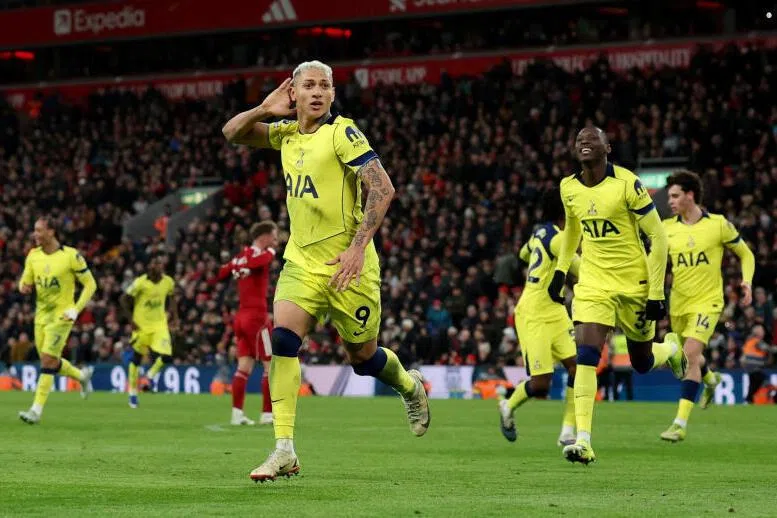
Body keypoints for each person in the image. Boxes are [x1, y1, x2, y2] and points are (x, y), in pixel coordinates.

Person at [222, 60, 430, 482]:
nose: (317, 92)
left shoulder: (343, 133)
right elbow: (232, 134)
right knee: (282, 340)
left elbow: (383, 187)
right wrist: (264, 108)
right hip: (301, 262)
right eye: (308, 86)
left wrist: (357, 248)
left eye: (325, 86)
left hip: (348, 268)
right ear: (293, 93)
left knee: (363, 358)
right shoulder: (284, 134)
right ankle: (284, 449)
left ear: (333, 95)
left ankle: (409, 386)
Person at [548, 127, 684, 464]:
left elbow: (658, 237)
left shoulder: (627, 184)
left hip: (633, 283)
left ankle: (670, 348)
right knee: (586, 355)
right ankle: (583, 440)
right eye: (578, 139)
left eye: (591, 140)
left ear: (607, 148)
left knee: (641, 363)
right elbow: (572, 233)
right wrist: (560, 272)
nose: (583, 143)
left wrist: (656, 293)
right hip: (594, 283)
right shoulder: (568, 188)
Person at [660, 170, 755, 441]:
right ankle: (710, 378)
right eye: (670, 197)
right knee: (688, 357)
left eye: (676, 195)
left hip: (708, 302)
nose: (672, 201)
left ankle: (679, 424)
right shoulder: (667, 229)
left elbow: (745, 253)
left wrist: (746, 282)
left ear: (691, 196)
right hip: (678, 303)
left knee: (689, 353)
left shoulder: (718, 224)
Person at [498, 188, 580, 447]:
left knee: (579, 368)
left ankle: (567, 431)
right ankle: (507, 405)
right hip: (533, 313)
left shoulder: (539, 232)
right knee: (541, 385)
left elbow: (524, 254)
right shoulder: (559, 239)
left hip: (554, 310)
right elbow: (583, 269)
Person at [17, 216, 97, 424]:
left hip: (62, 316)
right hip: (41, 316)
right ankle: (81, 376)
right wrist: (23, 287)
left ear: (51, 232)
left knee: (46, 360)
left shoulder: (71, 256)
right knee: (50, 360)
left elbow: (91, 285)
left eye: (39, 230)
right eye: (35, 230)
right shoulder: (33, 256)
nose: (35, 234)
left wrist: (75, 309)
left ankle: (35, 411)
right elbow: (25, 281)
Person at [213, 221, 279, 426]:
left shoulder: (241, 256)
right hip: (257, 318)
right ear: (264, 236)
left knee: (244, 367)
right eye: (274, 236)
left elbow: (221, 273)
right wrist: (263, 254)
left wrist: (236, 264)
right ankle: (267, 414)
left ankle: (237, 414)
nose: (276, 240)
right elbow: (259, 262)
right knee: (271, 366)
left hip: (240, 318)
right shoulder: (264, 253)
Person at [120, 254, 179, 408]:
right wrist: (130, 320)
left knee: (167, 355)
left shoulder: (168, 282)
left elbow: (172, 298)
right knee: (137, 359)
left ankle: (151, 375)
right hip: (141, 327)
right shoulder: (140, 283)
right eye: (153, 264)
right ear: (149, 267)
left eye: (158, 264)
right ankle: (133, 393)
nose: (155, 267)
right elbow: (123, 299)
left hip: (159, 325)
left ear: (162, 267)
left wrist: (175, 317)